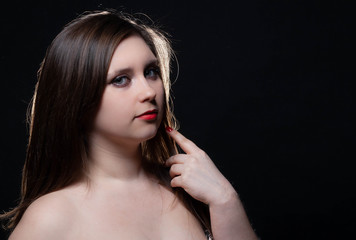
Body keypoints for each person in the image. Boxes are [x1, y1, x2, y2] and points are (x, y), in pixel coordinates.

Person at [1, 10, 258, 240]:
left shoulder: (190, 188)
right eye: (121, 80)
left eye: (151, 72)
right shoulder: (52, 217)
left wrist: (225, 200)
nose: (148, 92)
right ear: (77, 99)